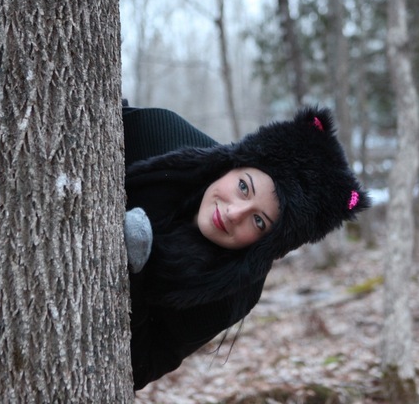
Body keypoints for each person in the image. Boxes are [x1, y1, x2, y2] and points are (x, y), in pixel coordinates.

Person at [122, 105, 370, 390]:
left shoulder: (230, 292)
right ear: (233, 164)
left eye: (258, 221)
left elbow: (137, 368)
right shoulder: (159, 133)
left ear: (267, 245)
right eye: (243, 187)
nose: (233, 214)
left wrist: (134, 271)